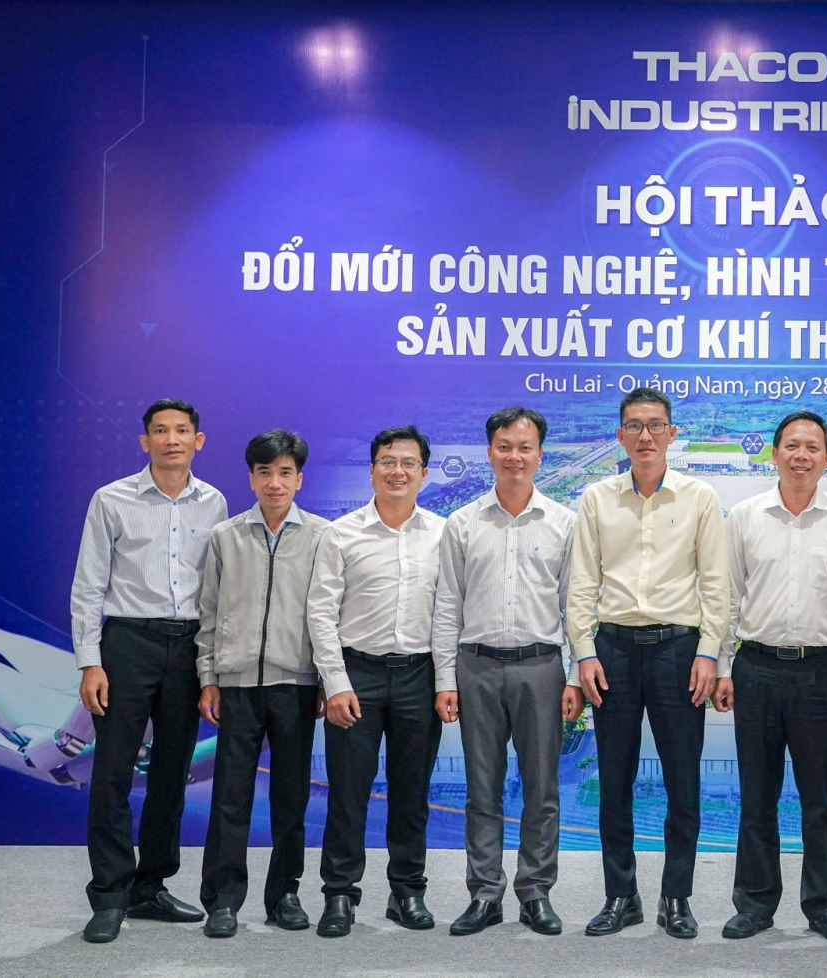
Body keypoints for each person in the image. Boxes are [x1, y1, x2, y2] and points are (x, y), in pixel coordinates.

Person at [567, 387, 728, 939]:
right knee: (614, 780)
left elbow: (717, 585)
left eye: (656, 425)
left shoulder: (699, 497)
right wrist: (584, 653)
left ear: (672, 434)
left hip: (679, 652)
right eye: (634, 426)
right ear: (620, 435)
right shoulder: (597, 498)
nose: (645, 436)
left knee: (683, 780)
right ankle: (621, 895)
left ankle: (676, 897)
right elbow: (581, 585)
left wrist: (709, 651)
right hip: (612, 651)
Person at [70, 398, 227, 943]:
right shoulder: (111, 499)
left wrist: (210, 667)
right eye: (160, 430)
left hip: (188, 648)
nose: (171, 439)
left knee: (171, 774)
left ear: (198, 441)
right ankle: (110, 894)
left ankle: (150, 886)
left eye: (182, 430)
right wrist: (90, 661)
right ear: (145, 442)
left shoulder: (214, 502)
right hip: (127, 644)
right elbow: (88, 585)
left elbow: (215, 591)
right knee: (113, 773)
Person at [714, 410, 827, 945]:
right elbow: (727, 597)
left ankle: (823, 905)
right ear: (774, 453)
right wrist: (723, 665)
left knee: (819, 798)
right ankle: (755, 904)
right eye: (791, 446)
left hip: (820, 671)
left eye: (812, 447)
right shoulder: (745, 515)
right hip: (756, 667)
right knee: (757, 795)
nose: (801, 456)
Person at [431, 406, 580, 937]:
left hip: (541, 667)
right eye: (504, 446)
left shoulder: (564, 523)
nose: (514, 456)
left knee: (542, 788)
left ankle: (536, 892)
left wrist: (575, 676)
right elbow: (447, 606)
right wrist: (444, 679)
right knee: (482, 787)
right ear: (489, 451)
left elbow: (574, 605)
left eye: (525, 447)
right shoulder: (463, 523)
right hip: (477, 667)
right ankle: (485, 894)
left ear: (540, 454)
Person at [306, 425, 446, 938]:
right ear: (371, 471)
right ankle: (339, 895)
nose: (397, 471)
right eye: (388, 461)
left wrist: (446, 681)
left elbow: (449, 614)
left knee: (412, 793)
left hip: (419, 676)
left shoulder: (443, 534)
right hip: (356, 675)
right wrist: (336, 683)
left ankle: (407, 891)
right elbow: (321, 614)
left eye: (408, 463)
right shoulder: (340, 534)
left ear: (424, 473)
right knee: (348, 793)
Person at [195, 429, 330, 938]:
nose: (275, 483)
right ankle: (223, 899)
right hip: (236, 685)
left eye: (285, 473)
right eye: (265, 472)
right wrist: (209, 676)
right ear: (251, 477)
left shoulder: (321, 536)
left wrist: (325, 679)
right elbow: (209, 613)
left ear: (299, 479)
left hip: (296, 684)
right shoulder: (225, 536)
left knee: (291, 797)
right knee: (230, 796)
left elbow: (328, 616)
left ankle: (285, 895)